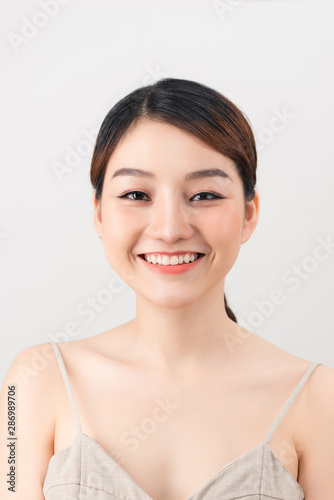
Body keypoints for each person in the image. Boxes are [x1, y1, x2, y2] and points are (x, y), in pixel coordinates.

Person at [0, 77, 333, 500]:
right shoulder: (33, 382)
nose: (171, 229)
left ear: (249, 214)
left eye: (205, 195)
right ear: (99, 214)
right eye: (137, 193)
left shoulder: (319, 397)